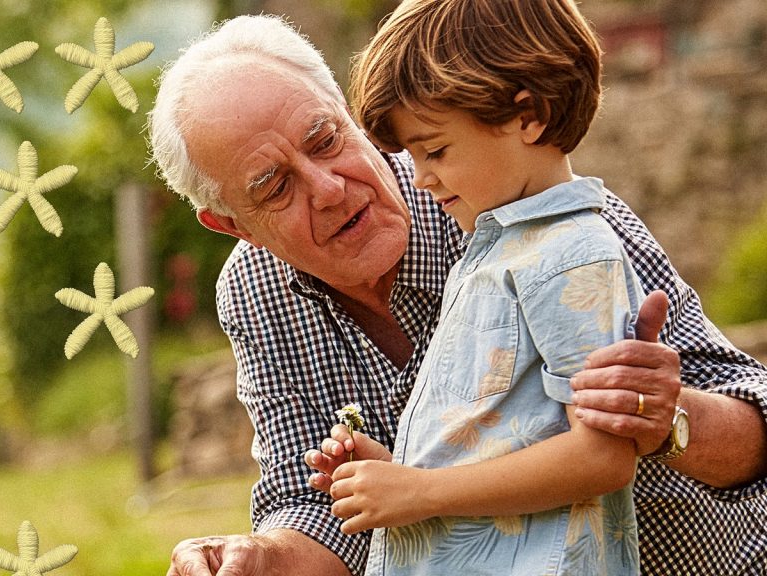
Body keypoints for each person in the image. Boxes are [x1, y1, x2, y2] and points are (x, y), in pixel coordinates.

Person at [146, 12, 767, 576]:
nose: (328, 187)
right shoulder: (255, 292)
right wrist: (262, 556)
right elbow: (307, 505)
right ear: (232, 224)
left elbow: (753, 423)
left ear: (345, 109)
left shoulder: (529, 210)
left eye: (324, 140)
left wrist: (664, 420)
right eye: (275, 185)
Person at [306, 0, 644, 573]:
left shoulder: (571, 256)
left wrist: (421, 492)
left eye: (434, 150)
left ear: (528, 116)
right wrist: (397, 471)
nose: (421, 176)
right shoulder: (502, 245)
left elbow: (603, 457)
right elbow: (507, 442)